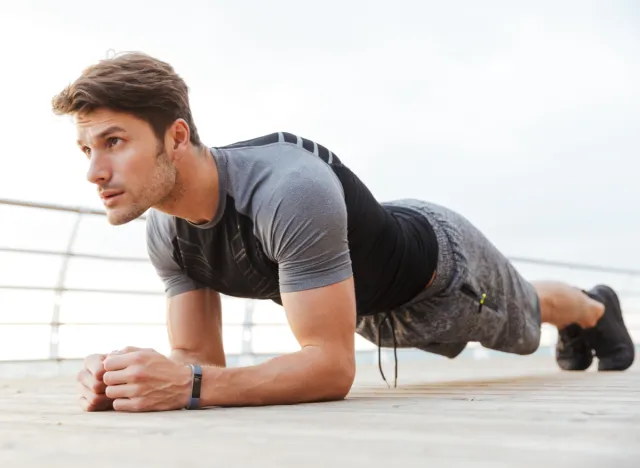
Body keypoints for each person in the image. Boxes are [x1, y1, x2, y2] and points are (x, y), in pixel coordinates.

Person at [51, 52, 635, 413]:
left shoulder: (285, 191)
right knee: (515, 322)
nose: (94, 172)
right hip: (357, 299)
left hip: (441, 278)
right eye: (86, 149)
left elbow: (331, 367)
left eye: (114, 142)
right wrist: (131, 382)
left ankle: (592, 309)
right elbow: (197, 362)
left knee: (525, 322)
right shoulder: (167, 231)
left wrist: (189, 385)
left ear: (176, 137)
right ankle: (583, 316)